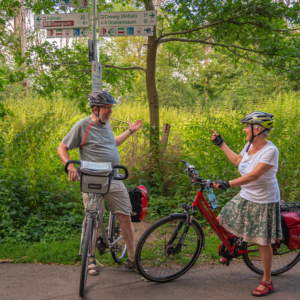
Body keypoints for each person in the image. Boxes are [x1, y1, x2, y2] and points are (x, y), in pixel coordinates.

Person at [57, 91, 142, 275]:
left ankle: (133, 259)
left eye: (111, 107)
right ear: (95, 109)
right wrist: (69, 166)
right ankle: (90, 259)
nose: (110, 111)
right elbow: (62, 147)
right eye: (107, 108)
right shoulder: (82, 126)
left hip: (113, 177)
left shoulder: (107, 124)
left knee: (125, 216)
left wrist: (130, 131)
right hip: (92, 179)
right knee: (93, 218)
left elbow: (113, 143)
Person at [211, 111, 282, 297]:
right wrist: (222, 144)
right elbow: (237, 160)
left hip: (263, 200)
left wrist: (229, 183)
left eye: (246, 127)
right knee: (221, 218)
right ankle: (236, 245)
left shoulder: (270, 151)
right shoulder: (249, 145)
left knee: (262, 241)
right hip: (246, 195)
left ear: (257, 130)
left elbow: (254, 175)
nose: (244, 130)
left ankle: (267, 281)